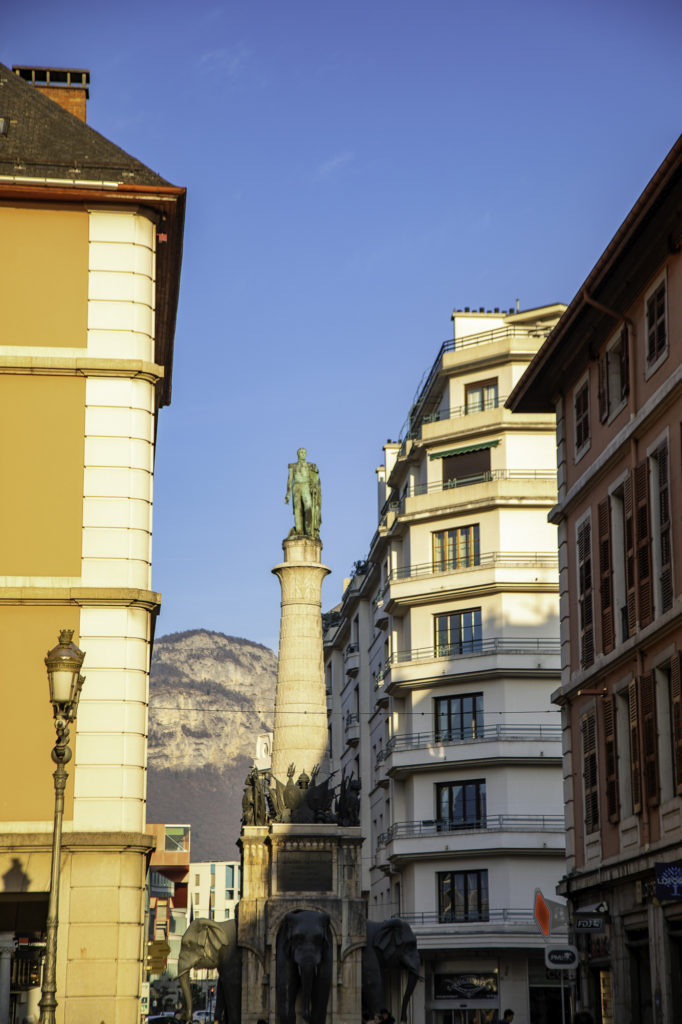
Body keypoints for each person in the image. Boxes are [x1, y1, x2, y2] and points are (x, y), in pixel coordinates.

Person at [285, 447, 321, 538]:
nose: (303, 453)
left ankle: (308, 531)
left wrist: (314, 487)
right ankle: (299, 530)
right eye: (301, 452)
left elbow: (315, 479)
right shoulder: (292, 466)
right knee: (298, 509)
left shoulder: (309, 466)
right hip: (296, 486)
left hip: (306, 485)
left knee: (308, 507)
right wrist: (288, 494)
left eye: (304, 452)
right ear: (298, 454)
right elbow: (289, 480)